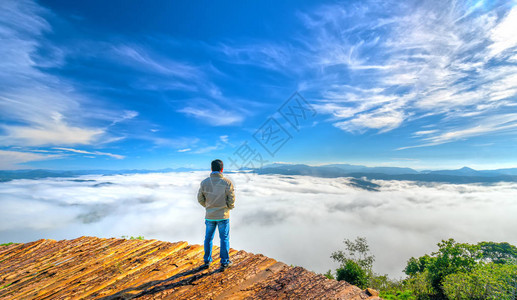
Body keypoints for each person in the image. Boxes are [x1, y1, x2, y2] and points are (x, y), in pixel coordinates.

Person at [197, 159, 235, 268]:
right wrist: (228, 207)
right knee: (224, 238)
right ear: (222, 169)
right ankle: (224, 262)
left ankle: (207, 261)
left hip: (210, 216)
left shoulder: (204, 182)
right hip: (223, 215)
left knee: (208, 238)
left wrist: (208, 207)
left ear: (211, 168)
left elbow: (200, 199)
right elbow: (231, 199)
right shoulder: (227, 183)